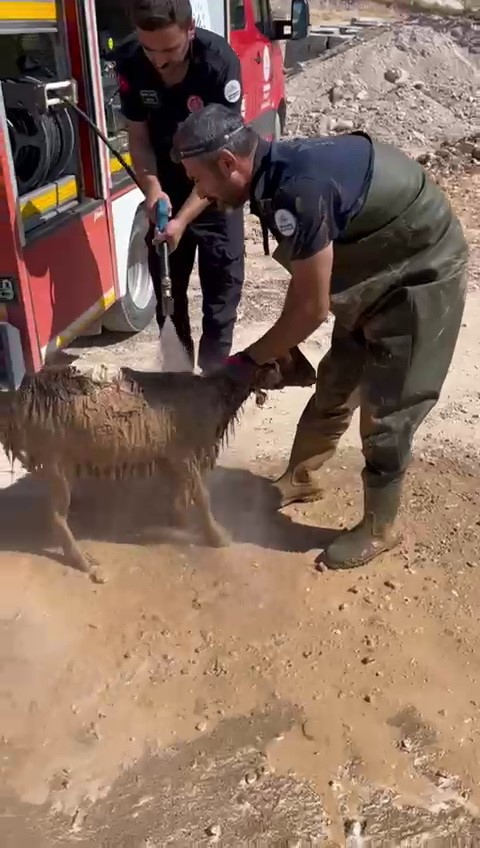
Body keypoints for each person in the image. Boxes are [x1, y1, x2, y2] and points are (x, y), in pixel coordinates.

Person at [171, 103, 468, 570]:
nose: (199, 191)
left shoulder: (298, 190)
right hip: (371, 269)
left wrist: (246, 363)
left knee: (388, 410)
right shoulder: (269, 173)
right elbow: (308, 282)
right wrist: (181, 219)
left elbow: (311, 308)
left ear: (229, 162)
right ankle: (302, 477)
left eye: (198, 179)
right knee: (335, 383)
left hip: (418, 272)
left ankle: (379, 527)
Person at [114, 0, 245, 372]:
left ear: (190, 31)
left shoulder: (218, 64)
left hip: (216, 192)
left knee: (221, 301)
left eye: (169, 50)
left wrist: (185, 219)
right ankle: (179, 383)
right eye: (149, 49)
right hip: (166, 194)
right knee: (170, 301)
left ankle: (212, 390)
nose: (158, 61)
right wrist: (153, 190)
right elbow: (138, 138)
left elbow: (224, 159)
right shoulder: (130, 61)